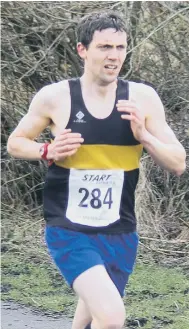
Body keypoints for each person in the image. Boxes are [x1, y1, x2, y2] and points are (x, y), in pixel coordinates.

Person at [7, 11, 186, 329]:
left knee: (90, 321)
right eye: (104, 47)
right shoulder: (56, 97)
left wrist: (144, 137)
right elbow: (16, 142)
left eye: (120, 47)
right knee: (112, 317)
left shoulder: (143, 99)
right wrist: (46, 150)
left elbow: (177, 163)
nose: (114, 56)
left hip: (120, 230)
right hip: (70, 229)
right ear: (82, 50)